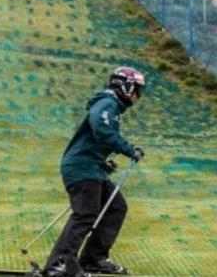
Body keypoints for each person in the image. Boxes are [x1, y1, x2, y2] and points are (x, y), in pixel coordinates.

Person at [40, 67, 147, 277]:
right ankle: (59, 265)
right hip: (81, 168)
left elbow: (94, 139)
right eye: (137, 90)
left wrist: (103, 163)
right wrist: (128, 149)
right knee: (85, 215)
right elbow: (102, 130)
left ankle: (93, 259)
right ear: (125, 86)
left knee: (116, 207)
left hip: (91, 167)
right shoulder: (107, 104)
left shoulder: (112, 106)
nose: (138, 96)